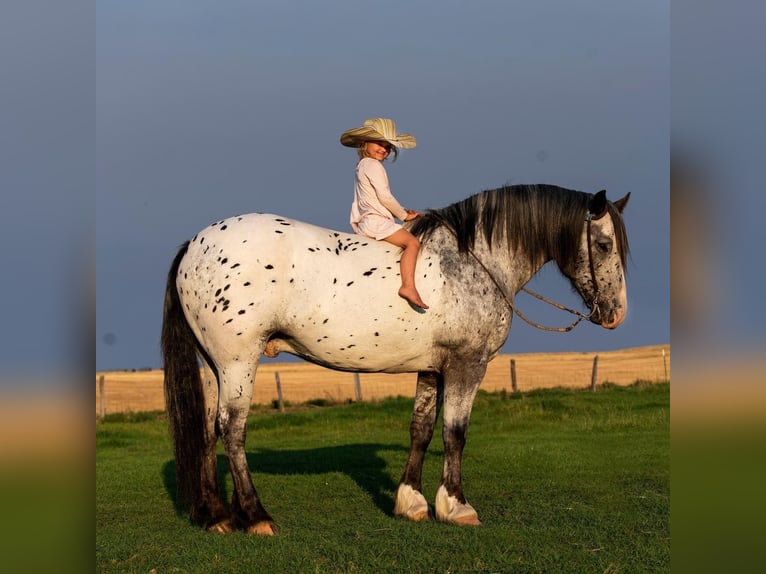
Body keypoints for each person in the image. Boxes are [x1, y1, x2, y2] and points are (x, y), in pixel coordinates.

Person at [340, 117, 429, 309]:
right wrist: (404, 216)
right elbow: (385, 196)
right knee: (412, 243)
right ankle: (408, 286)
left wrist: (403, 211)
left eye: (388, 147)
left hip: (368, 220)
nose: (384, 149)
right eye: (379, 144)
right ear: (364, 144)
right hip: (376, 222)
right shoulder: (372, 165)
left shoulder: (362, 165)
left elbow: (374, 198)